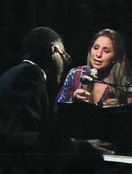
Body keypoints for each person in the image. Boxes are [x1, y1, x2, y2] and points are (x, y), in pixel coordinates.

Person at [0, 27, 82, 174]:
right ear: (52, 51)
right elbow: (23, 138)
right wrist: (76, 146)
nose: (64, 64)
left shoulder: (15, 73)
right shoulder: (27, 76)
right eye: (63, 56)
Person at [56, 29, 132, 107]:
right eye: (96, 48)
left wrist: (128, 101)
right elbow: (56, 110)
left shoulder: (123, 81)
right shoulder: (76, 74)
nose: (98, 55)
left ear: (115, 57)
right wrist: (74, 103)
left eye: (106, 51)